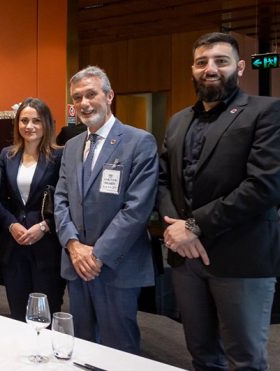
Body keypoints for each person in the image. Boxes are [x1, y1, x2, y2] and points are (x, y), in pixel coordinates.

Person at [158, 32, 280, 370]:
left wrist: (193, 226)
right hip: (186, 259)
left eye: (220, 61)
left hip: (240, 258)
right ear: (193, 69)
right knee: (201, 355)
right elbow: (163, 180)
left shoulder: (266, 112)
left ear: (239, 68)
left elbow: (264, 186)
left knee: (245, 360)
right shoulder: (178, 121)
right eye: (201, 62)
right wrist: (176, 231)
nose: (210, 68)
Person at [54, 66, 158, 354]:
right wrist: (73, 246)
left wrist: (97, 255)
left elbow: (137, 209)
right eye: (77, 98)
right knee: (82, 346)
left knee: (119, 350)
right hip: (76, 264)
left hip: (115, 267)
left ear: (109, 96)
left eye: (91, 94)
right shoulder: (72, 146)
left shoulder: (139, 142)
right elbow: (60, 200)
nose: (84, 103)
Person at [0, 98, 65, 319]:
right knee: (17, 311)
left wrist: (44, 226)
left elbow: (67, 200)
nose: (29, 126)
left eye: (36, 121)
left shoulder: (60, 156)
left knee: (46, 313)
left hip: (47, 245)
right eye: (24, 121)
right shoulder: (7, 155)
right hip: (14, 244)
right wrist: (11, 224)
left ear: (46, 124)